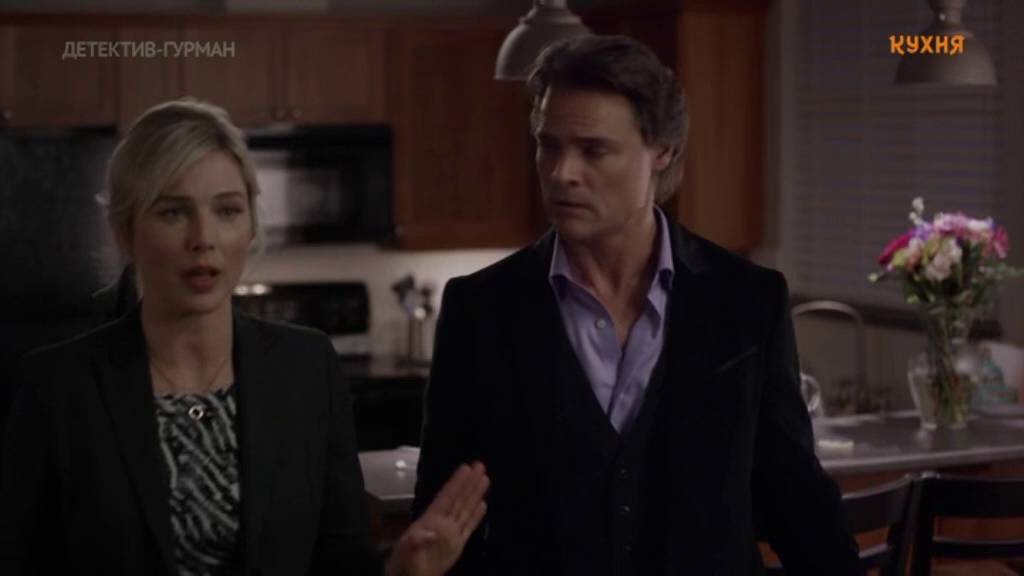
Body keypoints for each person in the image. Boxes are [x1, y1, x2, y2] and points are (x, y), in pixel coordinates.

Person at [412, 35, 862, 575]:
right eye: (548, 145)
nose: (561, 172)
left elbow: (794, 497)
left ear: (661, 151)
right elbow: (444, 523)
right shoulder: (481, 309)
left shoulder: (746, 300)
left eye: (593, 150)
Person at [0, 99, 489, 576]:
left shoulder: (307, 367)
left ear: (251, 224)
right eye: (173, 212)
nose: (203, 237)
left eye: (227, 210)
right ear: (126, 231)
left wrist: (402, 571)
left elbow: (341, 561)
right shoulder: (57, 387)